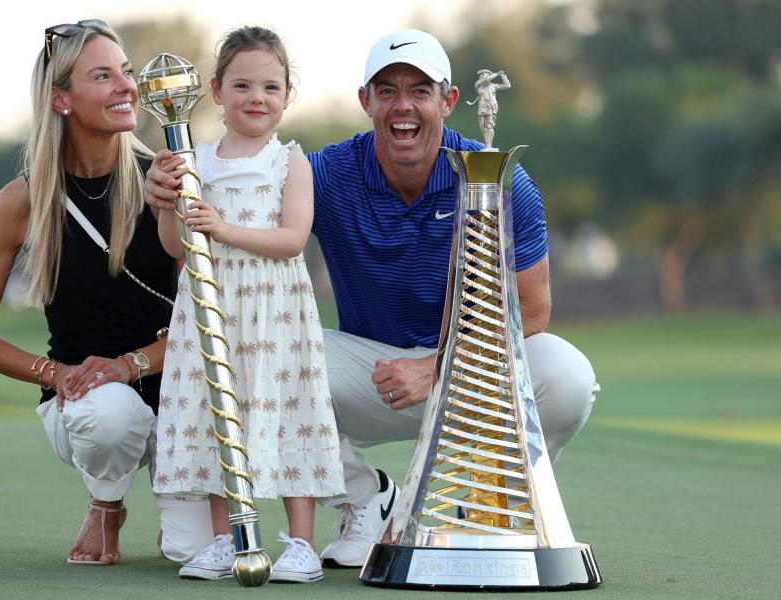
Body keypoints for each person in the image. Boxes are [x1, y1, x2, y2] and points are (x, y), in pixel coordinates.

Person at [144, 29, 597, 570]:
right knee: (259, 365)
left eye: (420, 91)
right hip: (367, 367)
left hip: (466, 371)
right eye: (386, 91)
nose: (402, 106)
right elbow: (239, 221)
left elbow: (534, 312)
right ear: (366, 101)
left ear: (448, 101)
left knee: (566, 375)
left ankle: (490, 502)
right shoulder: (325, 172)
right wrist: (173, 198)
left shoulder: (501, 181)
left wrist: (437, 367)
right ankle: (368, 498)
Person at [0, 19, 212, 566]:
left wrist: (131, 363)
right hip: (89, 402)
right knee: (108, 416)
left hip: (182, 394)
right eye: (102, 76)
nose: (125, 86)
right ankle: (107, 502)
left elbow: (213, 320)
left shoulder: (164, 178)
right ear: (61, 99)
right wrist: (56, 374)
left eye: (125, 72)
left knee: (190, 550)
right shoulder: (22, 201)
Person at [151, 26, 344, 584]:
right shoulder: (196, 162)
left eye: (270, 86)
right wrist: (169, 204)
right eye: (241, 85)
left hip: (274, 311)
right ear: (216, 91)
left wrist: (224, 228)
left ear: (287, 96)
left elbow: (292, 239)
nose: (256, 97)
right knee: (220, 415)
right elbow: (177, 249)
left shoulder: (290, 163)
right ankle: (227, 538)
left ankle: (302, 544)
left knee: (287, 412)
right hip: (214, 309)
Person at [466, 68, 511, 149]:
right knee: (482, 127)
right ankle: (487, 144)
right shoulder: (478, 84)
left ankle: (488, 145)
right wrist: (497, 74)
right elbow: (486, 80)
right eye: (480, 75)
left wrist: (503, 76)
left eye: (482, 74)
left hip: (491, 107)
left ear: (488, 74)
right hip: (482, 108)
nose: (480, 76)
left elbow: (507, 85)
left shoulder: (494, 86)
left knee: (489, 126)